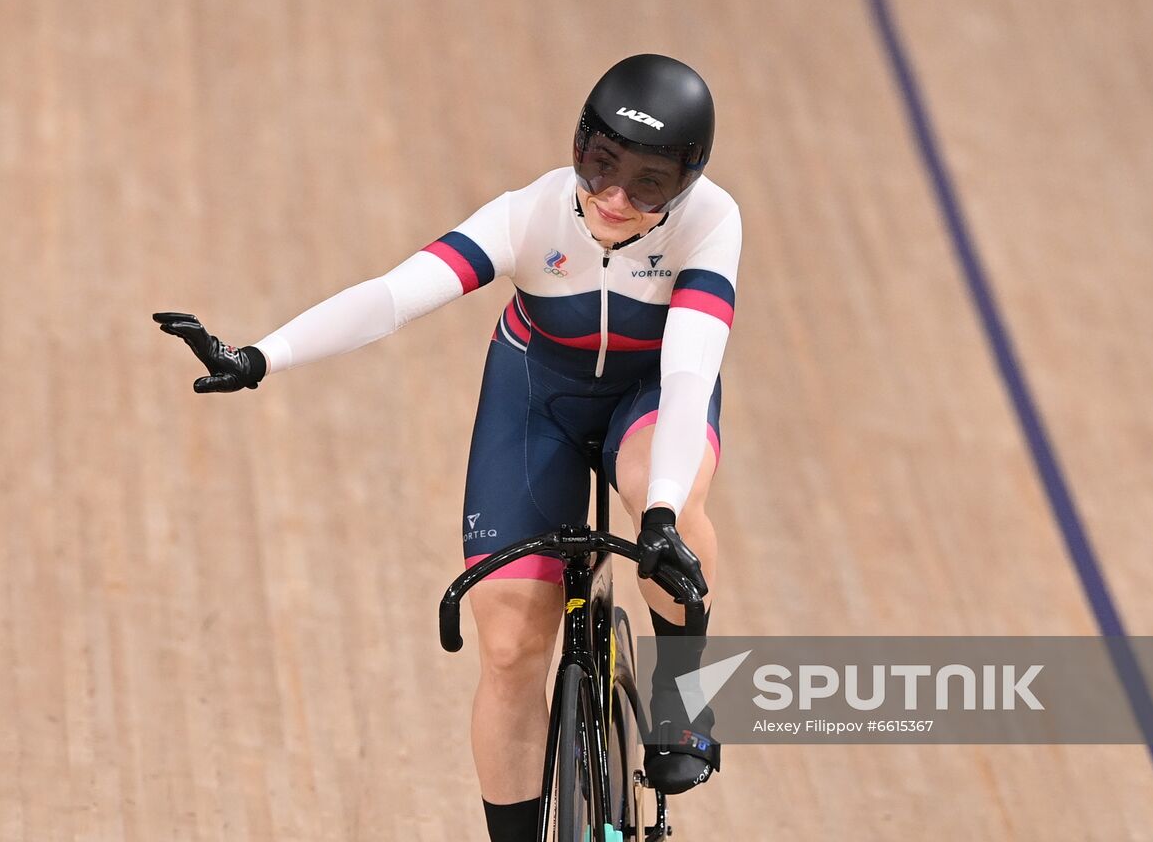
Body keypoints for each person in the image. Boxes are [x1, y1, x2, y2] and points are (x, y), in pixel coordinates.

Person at [154, 53, 740, 842]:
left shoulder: (712, 223)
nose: (613, 198)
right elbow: (396, 296)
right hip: (540, 399)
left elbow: (689, 367)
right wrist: (261, 356)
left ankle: (686, 700)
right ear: (578, 144)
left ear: (686, 185)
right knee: (507, 648)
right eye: (601, 165)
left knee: (669, 505)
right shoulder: (530, 215)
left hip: (650, 396)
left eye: (647, 185)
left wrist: (661, 514)